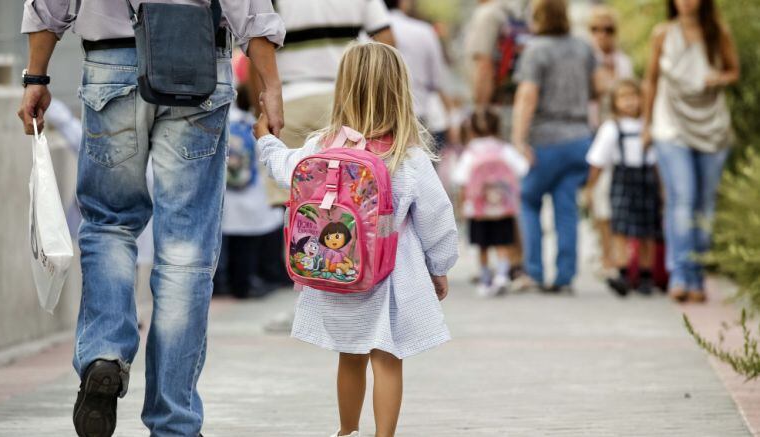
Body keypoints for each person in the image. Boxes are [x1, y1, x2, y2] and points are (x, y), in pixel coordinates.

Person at [18, 1, 285, 435]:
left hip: (112, 65)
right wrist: (270, 88)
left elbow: (50, 5)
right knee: (186, 251)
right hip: (197, 66)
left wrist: (36, 76)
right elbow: (249, 9)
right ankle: (173, 420)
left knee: (109, 223)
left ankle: (105, 350)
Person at [255, 42, 458, 437]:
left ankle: (346, 432)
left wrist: (266, 140)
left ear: (343, 88)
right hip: (390, 276)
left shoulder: (321, 148)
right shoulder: (408, 158)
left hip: (339, 272)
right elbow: (438, 218)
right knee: (387, 357)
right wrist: (440, 267)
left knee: (350, 355)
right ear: (400, 92)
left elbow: (285, 169)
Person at [643, 0, 739, 303]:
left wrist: (719, 78)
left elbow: (733, 70)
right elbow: (650, 80)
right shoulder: (662, 33)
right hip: (671, 125)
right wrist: (646, 124)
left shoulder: (716, 32)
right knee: (682, 198)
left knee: (704, 204)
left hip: (710, 126)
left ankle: (698, 276)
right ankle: (681, 275)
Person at [259, 0, 395, 207]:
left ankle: (296, 239)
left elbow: (259, 46)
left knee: (289, 192)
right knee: (347, 189)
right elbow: (386, 41)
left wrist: (260, 107)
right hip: (345, 101)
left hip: (289, 103)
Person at [511, 0, 600, 293]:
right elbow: (599, 86)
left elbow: (527, 95)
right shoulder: (583, 47)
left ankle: (534, 270)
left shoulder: (537, 49)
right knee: (566, 207)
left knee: (529, 200)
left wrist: (518, 138)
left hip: (545, 137)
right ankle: (565, 275)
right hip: (579, 136)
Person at [586, 80, 661, 297]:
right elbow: (597, 161)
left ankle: (646, 274)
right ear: (615, 103)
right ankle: (623, 271)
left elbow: (657, 163)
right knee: (619, 229)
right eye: (623, 97)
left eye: (633, 96)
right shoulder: (611, 128)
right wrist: (590, 186)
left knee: (648, 231)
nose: (629, 102)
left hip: (646, 178)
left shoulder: (648, 126)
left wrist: (663, 189)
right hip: (622, 178)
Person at [216, 82, 286, 299]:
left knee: (224, 245)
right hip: (252, 196)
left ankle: (222, 283)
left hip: (226, 196)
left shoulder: (225, 121)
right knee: (246, 247)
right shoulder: (253, 125)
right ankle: (245, 286)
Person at [452, 109, 529, 296]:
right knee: (503, 242)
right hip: (503, 207)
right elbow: (523, 168)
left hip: (478, 209)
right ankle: (502, 275)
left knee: (483, 245)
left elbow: (460, 179)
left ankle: (486, 279)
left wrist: (463, 206)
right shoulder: (504, 149)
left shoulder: (470, 152)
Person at [586, 5, 635, 275]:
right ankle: (605, 250)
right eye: (596, 29)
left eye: (607, 29)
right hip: (594, 132)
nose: (602, 35)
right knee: (599, 195)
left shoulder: (623, 62)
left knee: (617, 196)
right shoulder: (586, 59)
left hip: (621, 137)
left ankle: (619, 252)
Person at [385, 0, 450, 149]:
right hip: (418, 114)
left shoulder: (365, 33)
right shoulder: (423, 31)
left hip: (378, 117)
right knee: (422, 166)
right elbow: (437, 80)